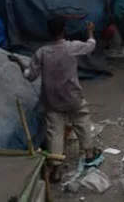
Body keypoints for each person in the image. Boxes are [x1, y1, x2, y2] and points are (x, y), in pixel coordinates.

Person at [20, 17, 99, 181]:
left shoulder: (41, 52)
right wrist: (90, 32)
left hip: (52, 100)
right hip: (73, 95)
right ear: (64, 30)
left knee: (54, 132)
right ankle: (89, 153)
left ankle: (56, 168)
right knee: (82, 121)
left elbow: (30, 76)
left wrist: (21, 64)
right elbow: (91, 46)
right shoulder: (71, 47)